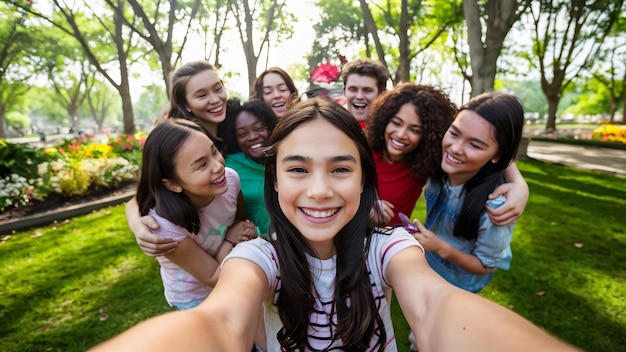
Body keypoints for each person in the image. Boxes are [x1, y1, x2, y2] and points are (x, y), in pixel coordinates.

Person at [90, 98, 577, 352]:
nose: (320, 190)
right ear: (274, 182)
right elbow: (218, 323)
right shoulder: (258, 257)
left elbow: (435, 305)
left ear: (364, 179)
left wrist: (517, 180)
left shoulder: (388, 248)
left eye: (341, 168)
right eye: (298, 168)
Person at [366, 83, 529, 227]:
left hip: (385, 246)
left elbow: (485, 146)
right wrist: (364, 210)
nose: (401, 134)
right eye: (396, 123)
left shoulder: (427, 160)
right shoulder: (360, 148)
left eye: (415, 130)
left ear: (429, 135)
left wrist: (519, 185)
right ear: (384, 119)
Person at [135, 119, 256, 310]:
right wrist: (230, 241)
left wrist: (238, 232)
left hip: (229, 267)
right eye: (201, 165)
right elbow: (213, 277)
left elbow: (238, 223)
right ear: (172, 184)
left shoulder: (230, 180)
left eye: (214, 152)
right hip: (195, 297)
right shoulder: (163, 226)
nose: (217, 166)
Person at [413, 92, 525, 291]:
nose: (455, 148)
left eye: (474, 145)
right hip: (429, 265)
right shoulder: (437, 166)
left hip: (460, 283)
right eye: (454, 133)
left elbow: (486, 265)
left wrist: (440, 247)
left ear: (498, 155)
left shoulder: (497, 207)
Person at [126, 61, 230, 255]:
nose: (215, 99)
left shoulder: (235, 122)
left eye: (218, 88)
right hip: (199, 253)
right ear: (185, 104)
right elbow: (143, 193)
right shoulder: (176, 142)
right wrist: (138, 226)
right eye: (201, 95)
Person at [217, 98, 278, 235]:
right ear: (235, 139)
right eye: (243, 134)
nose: (252, 137)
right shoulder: (229, 168)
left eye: (259, 128)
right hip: (260, 247)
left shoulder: (285, 156)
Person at [340, 58, 390, 128]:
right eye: (353, 89)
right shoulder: (331, 126)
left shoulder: (391, 130)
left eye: (367, 90)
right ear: (344, 91)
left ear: (382, 94)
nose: (359, 96)